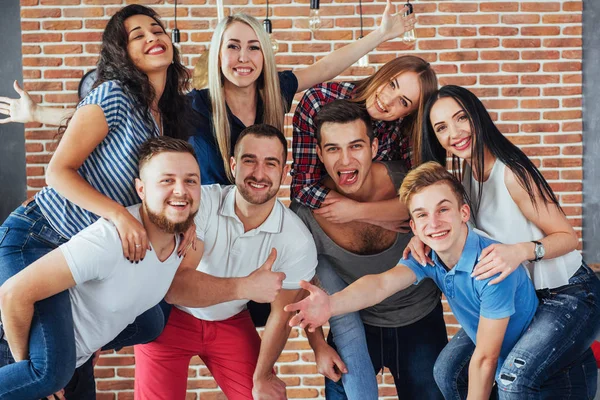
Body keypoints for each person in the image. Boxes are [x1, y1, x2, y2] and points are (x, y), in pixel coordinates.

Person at [1, 6, 416, 325]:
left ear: (264, 56)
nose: (243, 57)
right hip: (203, 236)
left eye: (253, 47)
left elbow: (325, 67)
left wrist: (378, 35)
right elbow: (111, 115)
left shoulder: (277, 92)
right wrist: (42, 113)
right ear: (217, 55)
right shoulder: (193, 106)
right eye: (232, 47)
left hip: (250, 234)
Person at [0, 4, 195, 399]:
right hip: (40, 240)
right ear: (122, 52)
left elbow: (165, 185)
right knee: (47, 375)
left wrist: (187, 226)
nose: (152, 37)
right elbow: (57, 171)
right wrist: (119, 216)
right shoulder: (113, 95)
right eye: (137, 35)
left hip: (82, 263)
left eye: (156, 30)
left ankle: (63, 357)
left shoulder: (165, 116)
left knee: (154, 319)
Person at [285, 161, 540, 399]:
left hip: (536, 369)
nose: (434, 223)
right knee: (447, 371)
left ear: (464, 212)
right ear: (414, 227)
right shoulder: (429, 255)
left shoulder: (491, 265)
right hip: (499, 356)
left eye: (443, 209)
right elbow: (381, 284)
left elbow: (485, 359)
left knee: (509, 384)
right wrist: (331, 304)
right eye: (422, 215)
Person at [409, 85, 600, 399]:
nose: (454, 132)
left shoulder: (511, 173)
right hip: (523, 297)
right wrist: (419, 240)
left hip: (569, 293)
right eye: (442, 127)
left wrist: (521, 251)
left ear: (477, 117)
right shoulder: (465, 178)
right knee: (448, 371)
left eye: (461, 118)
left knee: (513, 379)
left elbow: (568, 238)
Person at [0, 137, 200, 400]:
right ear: (141, 189)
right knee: (50, 372)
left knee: (153, 322)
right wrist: (35, 375)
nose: (180, 190)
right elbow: (13, 294)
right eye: (166, 180)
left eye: (191, 181)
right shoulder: (110, 241)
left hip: (74, 360)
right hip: (18, 346)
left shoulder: (184, 238)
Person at [134, 124, 317, 400]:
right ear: (233, 165)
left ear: (284, 171)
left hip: (230, 322)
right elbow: (177, 288)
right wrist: (246, 287)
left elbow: (282, 316)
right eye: (249, 160)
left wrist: (262, 377)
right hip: (172, 319)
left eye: (271, 163)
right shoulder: (202, 203)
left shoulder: (297, 240)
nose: (258, 173)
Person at [290, 100, 446, 399]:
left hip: (420, 319)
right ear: (320, 153)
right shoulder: (306, 212)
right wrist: (318, 346)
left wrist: (357, 210)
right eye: (333, 148)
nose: (345, 160)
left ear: (374, 147)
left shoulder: (410, 184)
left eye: (356, 146)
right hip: (354, 321)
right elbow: (305, 286)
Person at [291, 55, 437, 226]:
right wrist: (381, 218)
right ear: (381, 74)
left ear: (407, 114)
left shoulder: (404, 129)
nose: (388, 101)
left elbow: (424, 195)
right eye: (391, 85)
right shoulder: (319, 100)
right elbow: (303, 187)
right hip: (323, 223)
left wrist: (359, 212)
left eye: (403, 102)